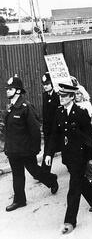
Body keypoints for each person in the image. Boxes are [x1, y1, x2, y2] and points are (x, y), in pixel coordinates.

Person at [45, 83, 92, 235]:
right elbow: (54, 135)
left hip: (80, 155)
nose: (61, 98)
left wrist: (90, 157)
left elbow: (89, 137)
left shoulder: (81, 112)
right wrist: (49, 154)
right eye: (60, 96)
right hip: (68, 155)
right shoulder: (59, 112)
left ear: (72, 97)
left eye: (64, 96)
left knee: (74, 187)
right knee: (80, 180)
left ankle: (70, 221)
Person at [3, 75, 59, 212]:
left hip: (26, 150)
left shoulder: (26, 107)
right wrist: (7, 149)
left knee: (35, 172)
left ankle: (51, 180)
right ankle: (19, 200)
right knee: (17, 175)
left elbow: (34, 130)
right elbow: (8, 131)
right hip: (13, 150)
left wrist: (35, 149)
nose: (7, 91)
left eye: (10, 89)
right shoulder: (10, 108)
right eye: (7, 89)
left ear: (17, 91)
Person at [41, 72, 61, 174]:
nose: (45, 86)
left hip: (58, 128)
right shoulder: (44, 95)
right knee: (48, 149)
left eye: (47, 84)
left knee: (66, 149)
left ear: (52, 84)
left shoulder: (57, 95)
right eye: (44, 84)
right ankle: (44, 171)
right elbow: (45, 113)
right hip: (48, 129)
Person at [74, 85, 92, 183]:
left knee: (85, 155)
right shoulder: (72, 104)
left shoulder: (86, 104)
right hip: (74, 133)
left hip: (84, 133)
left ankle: (89, 175)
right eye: (75, 94)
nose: (76, 96)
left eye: (78, 94)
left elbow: (89, 119)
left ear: (83, 94)